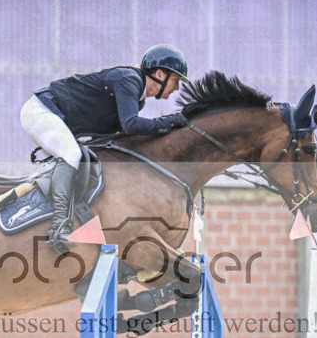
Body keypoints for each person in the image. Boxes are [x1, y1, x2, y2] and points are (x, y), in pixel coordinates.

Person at [20, 43, 192, 247]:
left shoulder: (137, 97)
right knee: (72, 156)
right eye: (176, 80)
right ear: (160, 74)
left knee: (87, 161)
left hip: (55, 116)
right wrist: (169, 123)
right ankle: (59, 228)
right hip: (41, 111)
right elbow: (131, 125)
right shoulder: (128, 80)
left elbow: (118, 136)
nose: (177, 88)